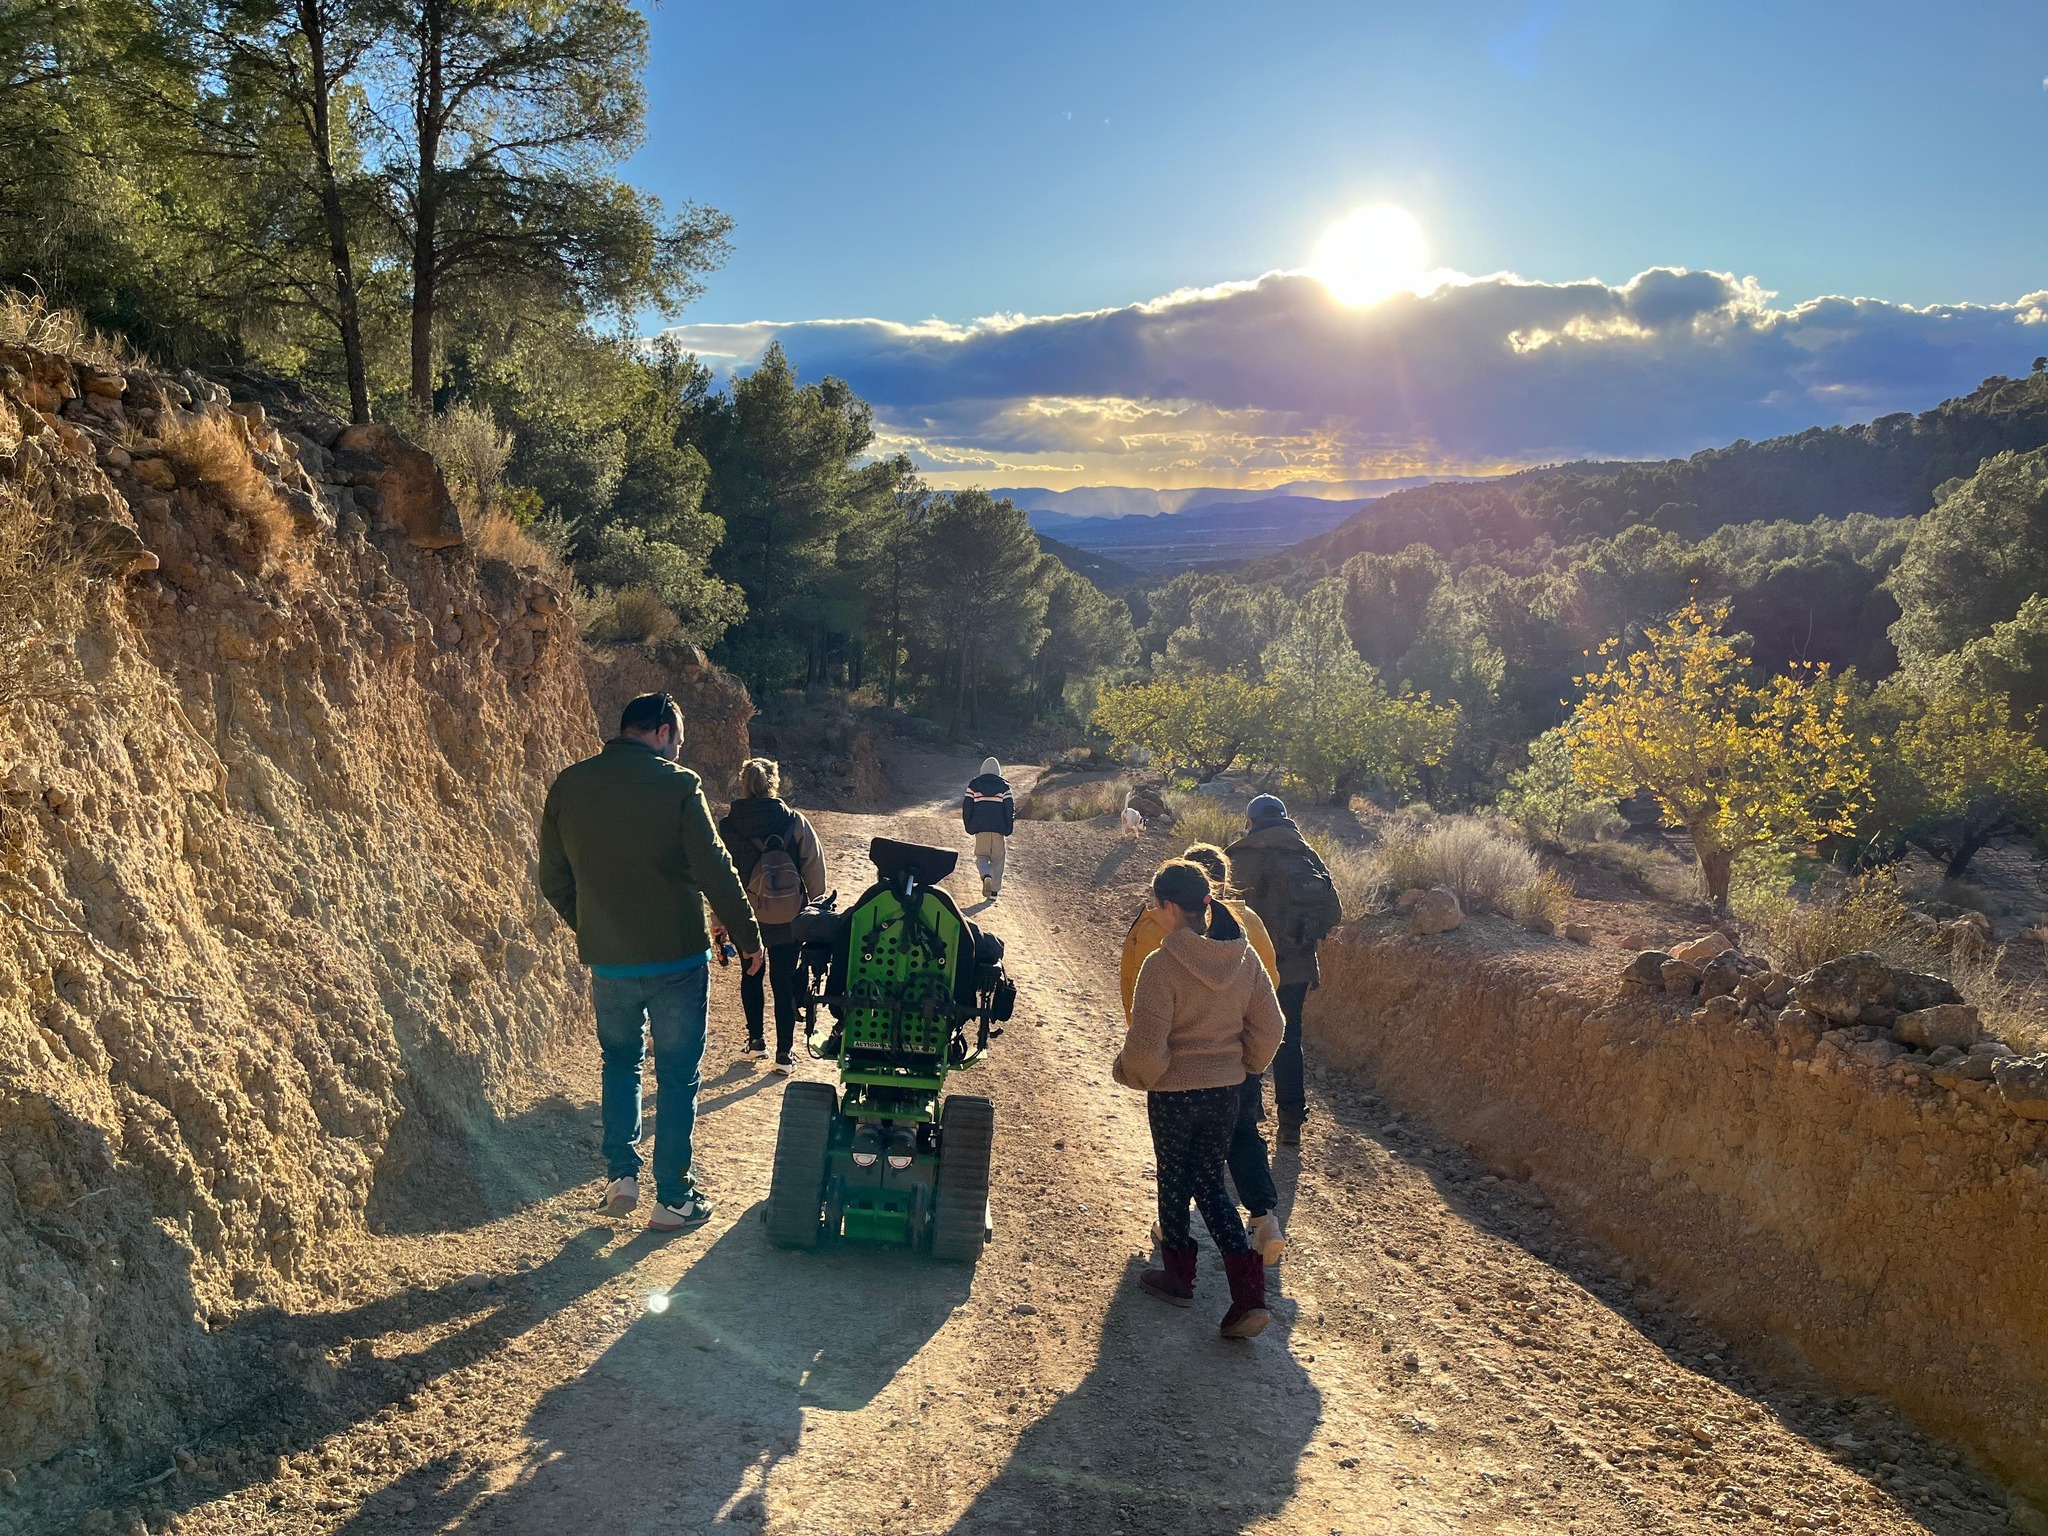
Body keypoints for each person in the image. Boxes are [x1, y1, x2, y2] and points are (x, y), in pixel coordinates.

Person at [539, 692, 764, 1234]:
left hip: (610, 962)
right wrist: (749, 935)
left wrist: (595, 926)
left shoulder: (570, 784)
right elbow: (714, 868)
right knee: (678, 1074)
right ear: (662, 731)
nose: (678, 754)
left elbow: (554, 879)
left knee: (620, 1062)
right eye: (677, 742)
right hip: (678, 957)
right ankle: (675, 1199)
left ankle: (621, 1175)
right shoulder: (679, 786)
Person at [1115, 859, 1285, 1339]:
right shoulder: (1245, 958)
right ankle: (1248, 1294)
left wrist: (1129, 1073)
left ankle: (1179, 1275)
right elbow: (1272, 1027)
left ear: (1170, 906)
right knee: (1210, 1182)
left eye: (1156, 904)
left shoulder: (1161, 966)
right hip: (1227, 1091)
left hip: (1174, 1095)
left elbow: (1147, 1050)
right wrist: (1247, 1065)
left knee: (1174, 1177)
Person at [1226, 795, 1343, 1148]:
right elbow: (1333, 913)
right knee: (1288, 1039)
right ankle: (1291, 1122)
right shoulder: (1305, 855)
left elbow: (1216, 909)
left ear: (1252, 821)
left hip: (1247, 967)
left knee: (1241, 1034)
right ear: (1284, 819)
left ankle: (1247, 1114)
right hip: (1294, 967)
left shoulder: (1238, 855)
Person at [719, 756, 828, 1074]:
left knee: (751, 974)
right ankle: (784, 1054)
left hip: (747, 917)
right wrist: (814, 913)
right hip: (789, 917)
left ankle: (756, 1043)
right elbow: (814, 870)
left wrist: (721, 919)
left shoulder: (727, 827)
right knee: (783, 979)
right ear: (773, 784)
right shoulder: (794, 822)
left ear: (743, 784)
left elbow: (720, 876)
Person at [962, 756, 1015, 899]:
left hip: (980, 829)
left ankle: (986, 875)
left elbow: (967, 807)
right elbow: (1009, 809)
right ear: (998, 771)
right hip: (999, 830)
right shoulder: (1005, 787)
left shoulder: (973, 786)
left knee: (981, 855)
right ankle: (994, 891)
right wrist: (1008, 827)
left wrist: (969, 825)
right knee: (998, 859)